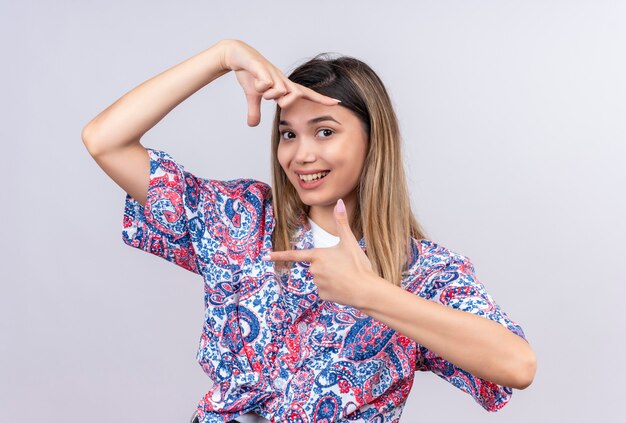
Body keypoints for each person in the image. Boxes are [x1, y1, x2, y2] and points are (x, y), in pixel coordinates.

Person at [82, 39, 537, 423]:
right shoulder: (241, 220)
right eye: (288, 134)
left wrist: (370, 293)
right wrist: (223, 56)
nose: (300, 155)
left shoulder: (422, 272)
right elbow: (105, 140)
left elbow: (517, 365)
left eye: (323, 132)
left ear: (373, 139)